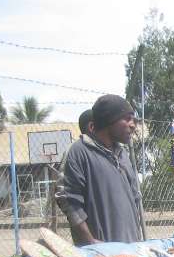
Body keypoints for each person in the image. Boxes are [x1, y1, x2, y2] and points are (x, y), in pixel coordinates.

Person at [57, 95, 144, 245]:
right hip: (99, 252)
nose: (132, 125)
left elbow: (135, 198)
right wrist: (90, 241)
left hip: (131, 248)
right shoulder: (79, 152)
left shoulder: (123, 154)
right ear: (109, 120)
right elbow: (69, 201)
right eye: (127, 119)